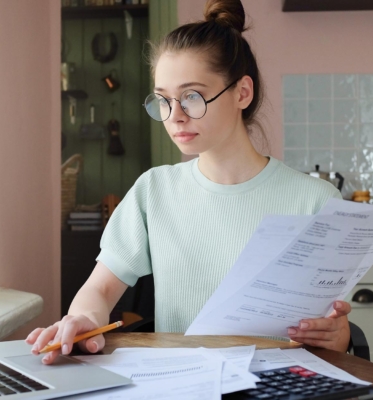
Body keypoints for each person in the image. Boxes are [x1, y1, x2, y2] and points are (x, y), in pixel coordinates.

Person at [26, 0, 351, 364]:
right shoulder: (154, 192)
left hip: (278, 383)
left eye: (192, 97)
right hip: (181, 383)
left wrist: (337, 335)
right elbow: (100, 288)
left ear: (242, 92)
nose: (175, 116)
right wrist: (83, 318)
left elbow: (334, 337)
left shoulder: (316, 201)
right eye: (163, 100)